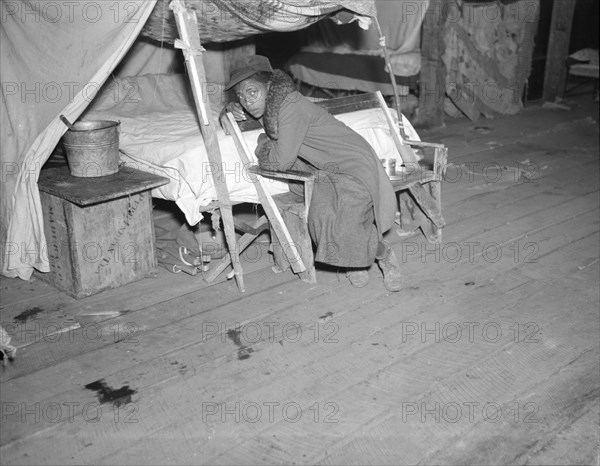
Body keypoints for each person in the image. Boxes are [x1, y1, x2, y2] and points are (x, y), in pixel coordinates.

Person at [221, 55, 403, 292]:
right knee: (321, 218)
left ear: (269, 85)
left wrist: (262, 143)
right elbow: (258, 119)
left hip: (354, 164)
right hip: (326, 169)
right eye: (241, 98)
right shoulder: (276, 103)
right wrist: (227, 110)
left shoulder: (290, 106)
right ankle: (356, 261)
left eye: (252, 92)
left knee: (347, 222)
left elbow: (280, 161)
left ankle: (385, 256)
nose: (247, 102)